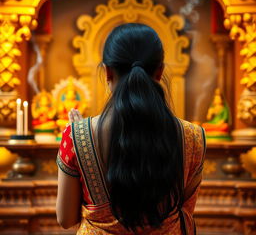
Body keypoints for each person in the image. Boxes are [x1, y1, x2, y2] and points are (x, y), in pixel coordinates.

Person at [56, 23, 206, 235]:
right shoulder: (194, 137)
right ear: (160, 71)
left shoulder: (76, 137)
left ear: (107, 72)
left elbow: (66, 218)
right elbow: (184, 212)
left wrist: (79, 141)